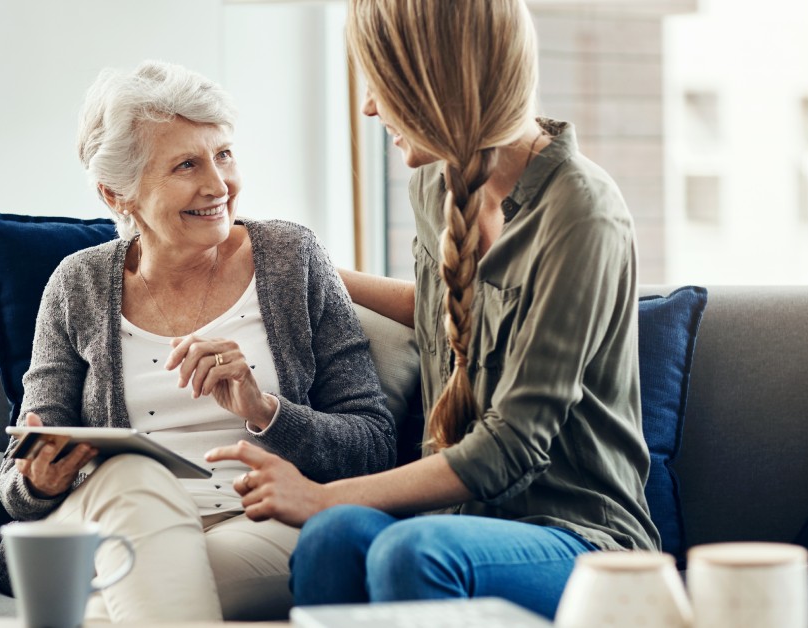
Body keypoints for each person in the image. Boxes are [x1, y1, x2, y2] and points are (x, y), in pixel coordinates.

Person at [206, 0, 660, 619]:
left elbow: (510, 448)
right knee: (333, 540)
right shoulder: (434, 182)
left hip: (581, 539)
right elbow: (449, 309)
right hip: (453, 523)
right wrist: (318, 274)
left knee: (408, 551)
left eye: (382, 85)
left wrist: (322, 494)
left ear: (439, 82)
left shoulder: (582, 212)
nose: (369, 107)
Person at [0, 60, 395, 623]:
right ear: (116, 193)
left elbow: (374, 444)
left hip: (254, 525)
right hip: (110, 520)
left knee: (119, 601)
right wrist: (39, 478)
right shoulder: (76, 285)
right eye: (186, 165)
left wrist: (266, 410)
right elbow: (18, 472)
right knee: (131, 476)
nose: (218, 184)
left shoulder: (292, 258)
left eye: (223, 154)